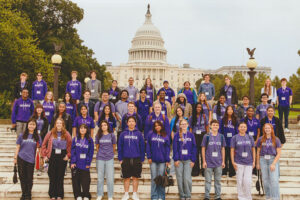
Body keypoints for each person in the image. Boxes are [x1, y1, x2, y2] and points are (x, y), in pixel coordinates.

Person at [41, 118, 72, 200]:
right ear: (55, 124)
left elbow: (71, 146)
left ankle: (59, 195)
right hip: (52, 156)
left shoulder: (66, 134)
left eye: (60, 123)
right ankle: (52, 194)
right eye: (57, 123)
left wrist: (68, 155)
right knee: (52, 175)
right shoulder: (50, 133)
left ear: (63, 125)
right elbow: (43, 145)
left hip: (62, 156)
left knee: (60, 176)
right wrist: (44, 155)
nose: (59, 125)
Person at [14, 118, 42, 200]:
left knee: (29, 178)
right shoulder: (22, 135)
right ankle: (24, 194)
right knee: (22, 177)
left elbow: (39, 149)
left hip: (31, 160)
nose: (31, 126)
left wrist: (40, 159)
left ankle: (28, 194)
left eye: (33, 124)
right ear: (27, 125)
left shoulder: (37, 136)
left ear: (35, 126)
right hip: (21, 158)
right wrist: (15, 158)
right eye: (30, 124)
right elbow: (18, 147)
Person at [118, 116, 145, 200]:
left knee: (135, 177)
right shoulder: (123, 134)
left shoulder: (139, 134)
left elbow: (142, 147)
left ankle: (134, 194)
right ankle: (126, 194)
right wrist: (120, 158)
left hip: (136, 158)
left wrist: (142, 159)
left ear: (135, 123)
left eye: (133, 121)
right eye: (129, 121)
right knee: (126, 177)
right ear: (127, 123)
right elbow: (120, 147)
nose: (131, 123)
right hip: (126, 158)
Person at [256, 123, 282, 200]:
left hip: (272, 159)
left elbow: (279, 153)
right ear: (264, 129)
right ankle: (268, 197)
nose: (267, 130)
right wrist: (258, 163)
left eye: (269, 128)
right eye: (266, 128)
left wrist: (274, 163)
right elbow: (258, 151)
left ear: (272, 129)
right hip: (263, 160)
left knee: (274, 180)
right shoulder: (260, 139)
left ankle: (275, 198)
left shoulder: (276, 139)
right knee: (265, 180)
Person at [230, 122, 255, 200]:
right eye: (241, 127)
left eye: (244, 127)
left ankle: (248, 196)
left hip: (249, 162)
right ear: (238, 128)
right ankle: (241, 197)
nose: (243, 128)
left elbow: (253, 150)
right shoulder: (235, 137)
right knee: (239, 180)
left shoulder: (250, 137)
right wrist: (233, 162)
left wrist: (254, 161)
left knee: (247, 181)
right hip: (238, 162)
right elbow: (232, 150)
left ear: (246, 128)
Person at [201, 120, 225, 200]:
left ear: (218, 127)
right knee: (208, 181)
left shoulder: (221, 136)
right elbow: (203, 149)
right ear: (210, 126)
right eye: (213, 125)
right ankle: (206, 196)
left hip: (218, 162)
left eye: (216, 125)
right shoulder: (206, 136)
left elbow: (223, 149)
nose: (215, 126)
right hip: (208, 162)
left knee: (217, 181)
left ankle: (217, 196)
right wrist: (203, 161)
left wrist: (223, 161)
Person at [173, 119, 197, 200]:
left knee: (187, 178)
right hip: (179, 160)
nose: (183, 125)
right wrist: (176, 159)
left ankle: (188, 195)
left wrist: (193, 160)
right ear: (180, 125)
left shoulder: (191, 135)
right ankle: (182, 195)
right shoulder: (176, 135)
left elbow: (194, 148)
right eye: (182, 124)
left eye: (185, 124)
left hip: (188, 160)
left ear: (187, 125)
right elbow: (175, 148)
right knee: (179, 178)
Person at [146, 120, 170, 200]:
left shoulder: (165, 135)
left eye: (158, 125)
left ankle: (161, 196)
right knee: (154, 178)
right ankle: (154, 197)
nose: (157, 127)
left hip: (162, 161)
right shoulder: (150, 134)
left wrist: (167, 160)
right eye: (155, 126)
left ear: (161, 126)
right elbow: (148, 146)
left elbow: (167, 149)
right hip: (153, 161)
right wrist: (149, 157)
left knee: (161, 179)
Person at [70, 124, 94, 200]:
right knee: (76, 180)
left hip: (85, 163)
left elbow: (91, 152)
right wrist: (73, 162)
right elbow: (72, 151)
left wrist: (88, 163)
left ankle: (86, 195)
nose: (82, 130)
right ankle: (78, 195)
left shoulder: (90, 140)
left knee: (86, 180)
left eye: (84, 128)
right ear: (79, 130)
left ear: (87, 130)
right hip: (76, 163)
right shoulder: (75, 139)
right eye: (81, 128)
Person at [95, 121, 116, 200]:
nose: (103, 126)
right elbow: (97, 146)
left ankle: (110, 195)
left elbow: (114, 146)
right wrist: (100, 153)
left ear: (107, 126)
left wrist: (110, 153)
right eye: (102, 125)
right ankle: (100, 194)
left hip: (109, 158)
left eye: (105, 125)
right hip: (100, 158)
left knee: (110, 178)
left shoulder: (112, 135)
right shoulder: (98, 135)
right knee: (100, 178)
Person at [189, 103, 209, 177]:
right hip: (195, 135)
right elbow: (190, 127)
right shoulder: (192, 117)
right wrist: (190, 136)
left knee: (203, 152)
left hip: (203, 135)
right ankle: (195, 170)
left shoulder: (204, 116)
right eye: (197, 107)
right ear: (195, 108)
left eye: (200, 107)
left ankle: (204, 170)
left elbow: (207, 126)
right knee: (196, 152)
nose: (199, 108)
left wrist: (208, 135)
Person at [219, 105, 238, 177]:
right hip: (225, 140)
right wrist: (221, 139)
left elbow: (237, 131)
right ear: (226, 111)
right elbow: (220, 130)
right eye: (228, 109)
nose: (230, 111)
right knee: (224, 156)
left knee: (232, 156)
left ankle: (232, 172)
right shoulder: (222, 120)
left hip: (232, 141)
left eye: (231, 109)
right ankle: (224, 172)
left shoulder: (235, 119)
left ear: (233, 111)